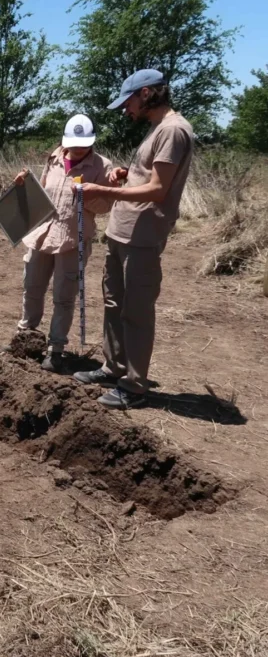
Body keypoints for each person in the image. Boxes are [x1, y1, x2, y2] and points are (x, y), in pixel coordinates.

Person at [73, 69, 195, 409]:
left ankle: (135, 385)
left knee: (136, 311)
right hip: (123, 230)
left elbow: (158, 190)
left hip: (143, 235)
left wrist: (100, 189)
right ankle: (113, 368)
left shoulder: (172, 130)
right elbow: (149, 177)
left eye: (127, 102)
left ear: (145, 94)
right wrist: (126, 175)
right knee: (114, 304)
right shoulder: (157, 130)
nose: (126, 110)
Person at [13, 115, 113, 372]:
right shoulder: (54, 158)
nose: (78, 149)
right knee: (32, 288)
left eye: (83, 144)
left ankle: (55, 350)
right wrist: (26, 184)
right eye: (73, 143)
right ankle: (25, 339)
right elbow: (44, 191)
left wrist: (87, 195)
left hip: (73, 239)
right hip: (43, 234)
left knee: (64, 297)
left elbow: (104, 206)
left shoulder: (102, 166)